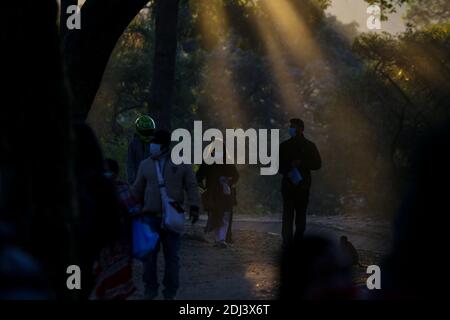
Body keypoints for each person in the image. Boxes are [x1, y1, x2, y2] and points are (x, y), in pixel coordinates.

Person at [131, 130, 200, 300]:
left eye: (155, 142)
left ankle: (170, 292)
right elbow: (137, 189)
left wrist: (194, 206)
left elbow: (192, 185)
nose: (152, 145)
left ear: (164, 146)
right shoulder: (145, 164)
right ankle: (150, 290)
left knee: (172, 258)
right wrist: (132, 208)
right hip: (150, 216)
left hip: (173, 217)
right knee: (149, 258)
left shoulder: (181, 162)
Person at [90, 159, 138, 300]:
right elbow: (134, 209)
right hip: (114, 245)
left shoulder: (95, 188)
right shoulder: (99, 189)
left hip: (114, 245)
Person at [279, 118, 321, 246]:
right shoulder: (284, 146)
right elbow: (278, 166)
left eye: (294, 127)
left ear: (301, 129)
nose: (291, 129)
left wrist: (302, 163)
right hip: (288, 186)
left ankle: (297, 243)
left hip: (303, 186)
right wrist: (288, 171)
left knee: (300, 217)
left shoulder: (310, 146)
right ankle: (287, 243)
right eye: (290, 126)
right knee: (288, 216)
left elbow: (317, 164)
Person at [197, 141, 239, 247]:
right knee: (222, 216)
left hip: (218, 194)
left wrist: (204, 188)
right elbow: (236, 176)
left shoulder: (209, 161)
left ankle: (220, 239)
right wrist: (228, 183)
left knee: (218, 215)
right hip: (222, 194)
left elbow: (198, 178)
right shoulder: (225, 161)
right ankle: (221, 239)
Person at [126, 114, 156, 184]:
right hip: (137, 180)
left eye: (149, 131)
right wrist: (132, 180)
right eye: (144, 131)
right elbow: (130, 163)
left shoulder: (155, 143)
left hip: (152, 181)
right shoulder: (133, 144)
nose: (147, 134)